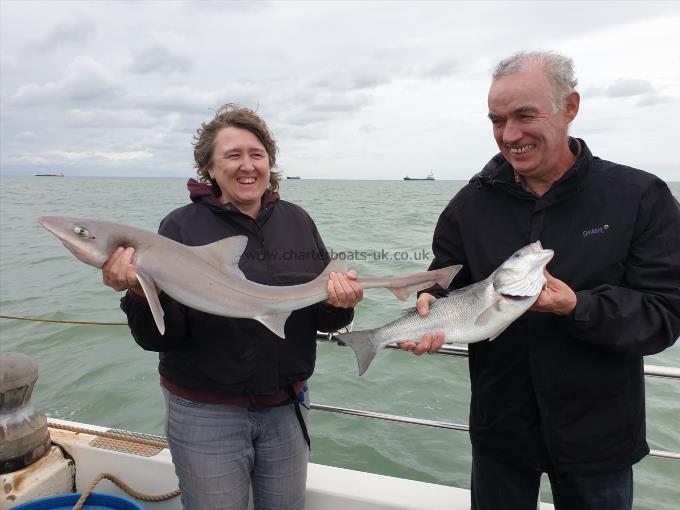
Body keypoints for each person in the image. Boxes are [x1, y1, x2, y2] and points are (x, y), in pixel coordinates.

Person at [401, 51, 680, 509]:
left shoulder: (639, 197)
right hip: (500, 434)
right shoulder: (469, 205)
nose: (509, 136)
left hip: (599, 436)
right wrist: (429, 303)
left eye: (525, 116)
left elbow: (665, 314)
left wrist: (579, 308)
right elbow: (446, 281)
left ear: (570, 107)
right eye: (497, 120)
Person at [101, 103, 362, 510]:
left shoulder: (297, 221)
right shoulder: (180, 228)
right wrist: (137, 294)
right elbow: (158, 337)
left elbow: (319, 316)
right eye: (233, 155)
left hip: (286, 408)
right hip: (206, 414)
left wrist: (340, 304)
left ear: (270, 162)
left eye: (256, 154)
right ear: (209, 166)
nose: (247, 166)